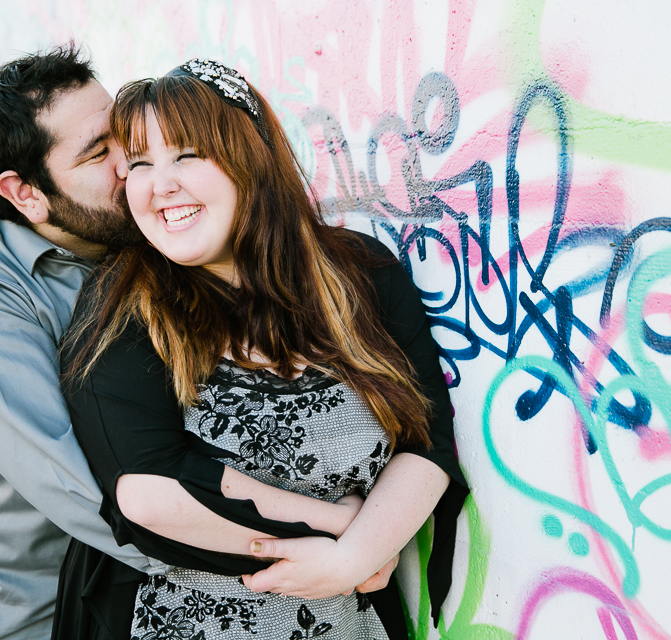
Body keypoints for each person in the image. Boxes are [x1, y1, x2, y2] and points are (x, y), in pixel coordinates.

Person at [56, 59, 468, 640]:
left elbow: (426, 440)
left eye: (186, 155)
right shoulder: (125, 306)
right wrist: (340, 529)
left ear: (248, 157)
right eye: (140, 164)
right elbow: (147, 494)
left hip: (351, 619)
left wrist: (352, 560)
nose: (160, 183)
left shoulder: (361, 274)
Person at [0, 45, 171, 640]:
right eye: (100, 153)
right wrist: (270, 562)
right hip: (39, 616)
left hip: (160, 605)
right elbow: (77, 487)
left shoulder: (144, 233)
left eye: (123, 134)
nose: (132, 162)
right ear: (25, 193)